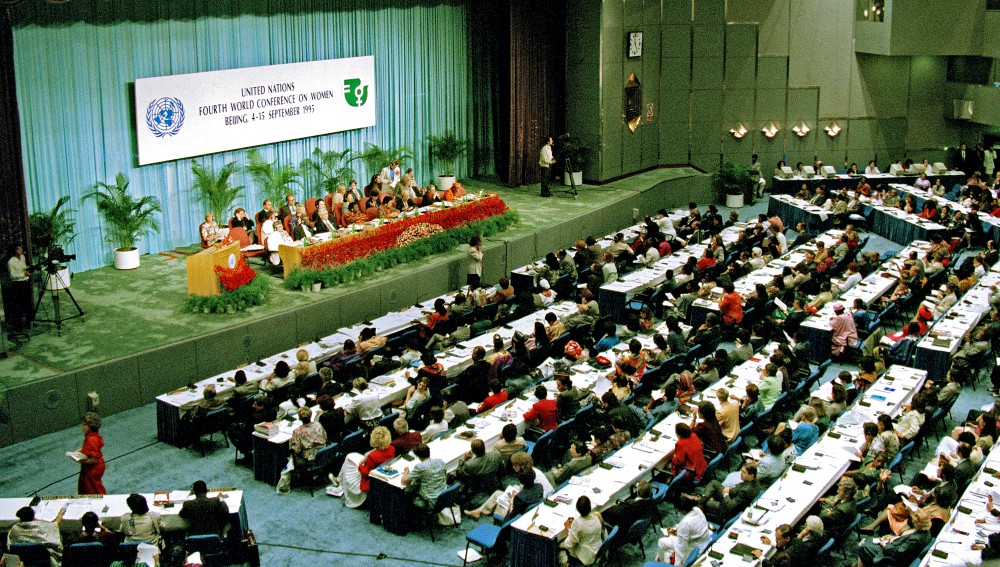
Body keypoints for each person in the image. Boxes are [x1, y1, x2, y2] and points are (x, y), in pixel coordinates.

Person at [328, 426, 396, 507]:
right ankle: (339, 480)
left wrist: (360, 465)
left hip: (370, 479)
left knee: (349, 458)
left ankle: (339, 480)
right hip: (381, 470)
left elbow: (366, 473)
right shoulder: (392, 448)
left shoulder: (373, 455)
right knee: (350, 457)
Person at [856, 508, 933, 567]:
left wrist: (885, 545)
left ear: (917, 522)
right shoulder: (926, 531)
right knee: (868, 540)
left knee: (864, 545)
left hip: (893, 559)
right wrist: (894, 538)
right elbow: (906, 541)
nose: (911, 519)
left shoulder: (916, 539)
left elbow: (898, 553)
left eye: (913, 518)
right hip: (896, 548)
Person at [656, 492, 712, 564]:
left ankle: (660, 564)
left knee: (664, 548)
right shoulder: (697, 510)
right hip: (702, 542)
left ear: (682, 510)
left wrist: (671, 535)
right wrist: (677, 530)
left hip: (694, 550)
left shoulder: (685, 523)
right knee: (662, 542)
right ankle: (660, 561)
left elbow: (681, 551)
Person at [402, 443, 447, 511]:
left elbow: (404, 481)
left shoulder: (420, 467)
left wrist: (406, 472)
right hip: (444, 496)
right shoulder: (440, 461)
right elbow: (445, 478)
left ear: (417, 456)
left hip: (430, 501)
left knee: (407, 493)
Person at [560, 496, 604, 566]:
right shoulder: (596, 517)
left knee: (560, 545)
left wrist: (569, 528)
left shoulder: (577, 523)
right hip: (597, 550)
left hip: (587, 556)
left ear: (577, 508)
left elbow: (569, 545)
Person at [76, 412, 107, 495]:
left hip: (93, 469)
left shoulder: (92, 439)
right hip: (91, 467)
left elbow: (93, 460)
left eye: (84, 424)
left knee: (93, 489)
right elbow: (88, 448)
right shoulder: (92, 436)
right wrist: (79, 451)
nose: (82, 427)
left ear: (89, 426)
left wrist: (79, 459)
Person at [5, 245, 32, 333]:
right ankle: (18, 326)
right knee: (18, 305)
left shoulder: (23, 257)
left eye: (21, 249)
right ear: (15, 251)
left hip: (25, 283)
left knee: (27, 303)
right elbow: (12, 275)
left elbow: (23, 268)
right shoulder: (11, 262)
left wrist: (27, 271)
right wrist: (23, 275)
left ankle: (28, 323)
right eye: (19, 249)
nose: (21, 251)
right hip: (17, 285)